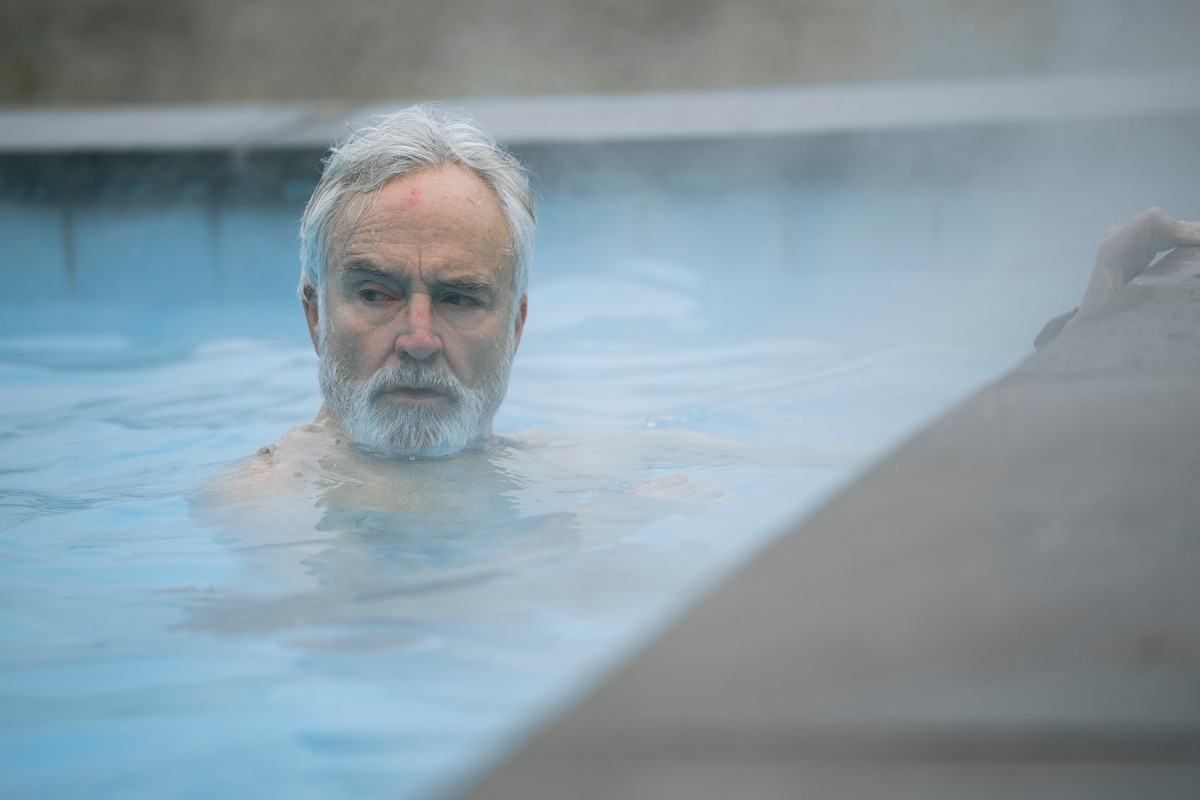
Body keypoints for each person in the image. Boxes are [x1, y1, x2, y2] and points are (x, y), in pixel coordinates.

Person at [206, 103, 1200, 508]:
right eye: (378, 291)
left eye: (460, 297)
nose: (418, 336)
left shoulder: (593, 469)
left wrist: (1084, 337)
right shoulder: (260, 513)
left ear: (514, 326)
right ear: (311, 315)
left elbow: (910, 477)